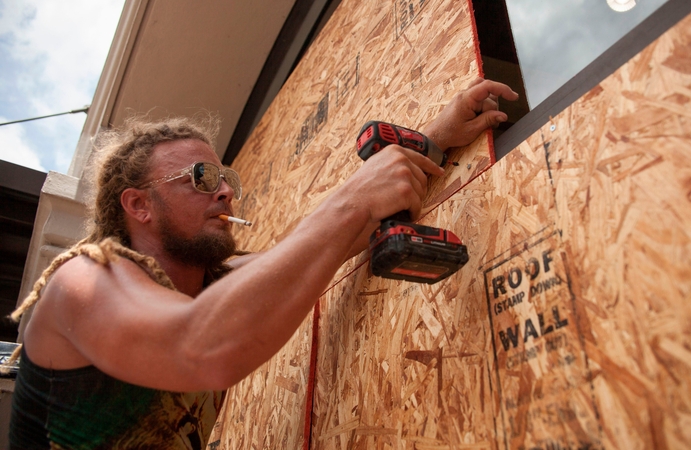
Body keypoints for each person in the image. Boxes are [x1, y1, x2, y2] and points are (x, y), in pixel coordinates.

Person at [8, 78, 518, 449]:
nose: (227, 191)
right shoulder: (83, 279)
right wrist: (353, 199)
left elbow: (319, 245)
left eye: (227, 178)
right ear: (138, 205)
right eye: (202, 177)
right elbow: (198, 345)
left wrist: (430, 143)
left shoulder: (216, 285)